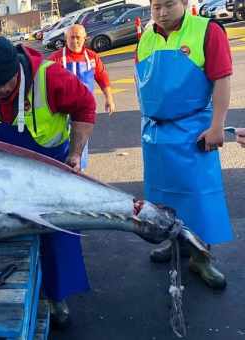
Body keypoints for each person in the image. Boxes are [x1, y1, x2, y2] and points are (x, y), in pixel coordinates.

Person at [0, 37, 96, 328]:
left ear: (16, 71)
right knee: (11, 234)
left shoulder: (50, 77)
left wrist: (75, 154)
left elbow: (85, 106)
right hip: (8, 171)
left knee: (56, 236)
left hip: (49, 167)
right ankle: (20, 295)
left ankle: (56, 298)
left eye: (0, 86)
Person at [136, 0, 233, 289]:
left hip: (194, 130)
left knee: (198, 196)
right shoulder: (146, 37)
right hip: (156, 133)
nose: (162, 13)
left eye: (168, 5)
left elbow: (222, 79)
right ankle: (175, 243)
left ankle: (201, 256)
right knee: (163, 198)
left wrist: (217, 126)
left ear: (185, 3)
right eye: (156, 7)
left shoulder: (207, 31)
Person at [49, 24, 115, 169]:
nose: (75, 41)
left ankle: (80, 170)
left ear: (85, 38)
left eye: (78, 37)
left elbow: (102, 77)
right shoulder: (56, 59)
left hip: (84, 110)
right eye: (71, 37)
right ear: (66, 39)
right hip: (62, 111)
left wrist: (109, 98)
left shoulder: (92, 57)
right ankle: (60, 169)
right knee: (62, 142)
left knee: (80, 141)